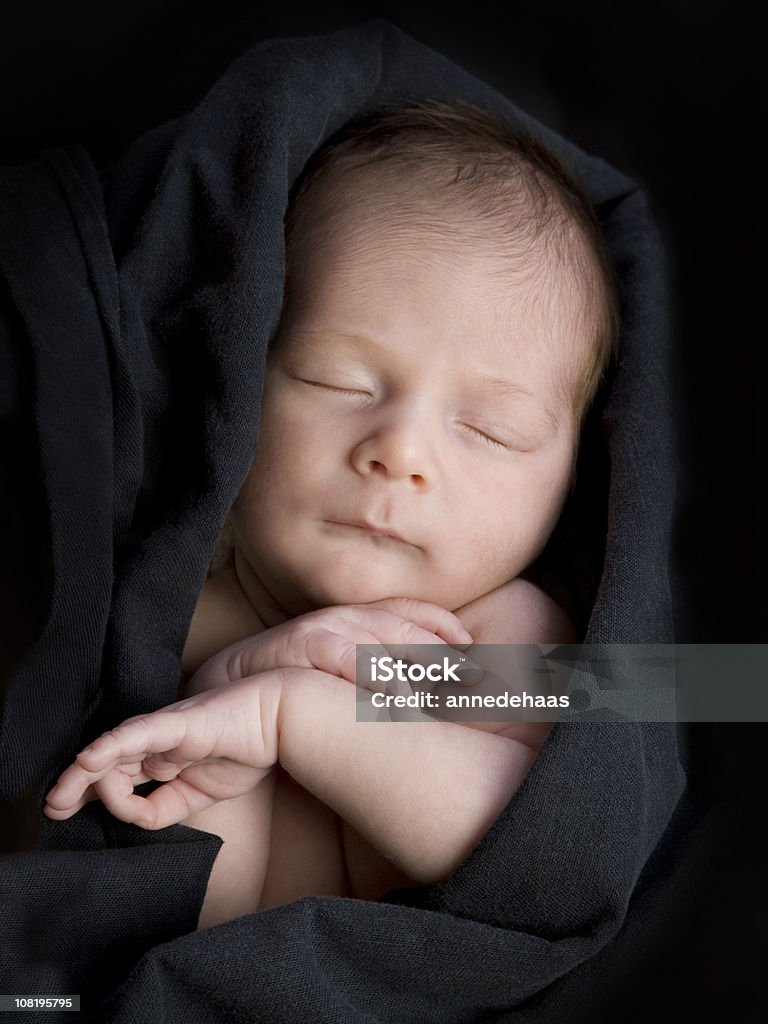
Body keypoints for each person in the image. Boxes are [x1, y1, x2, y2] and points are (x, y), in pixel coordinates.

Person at [43, 99, 619, 930]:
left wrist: (297, 709)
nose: (400, 453)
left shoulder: (488, 639)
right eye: (336, 382)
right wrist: (226, 678)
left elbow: (536, 846)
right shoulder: (168, 593)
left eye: (493, 430)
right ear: (239, 379)